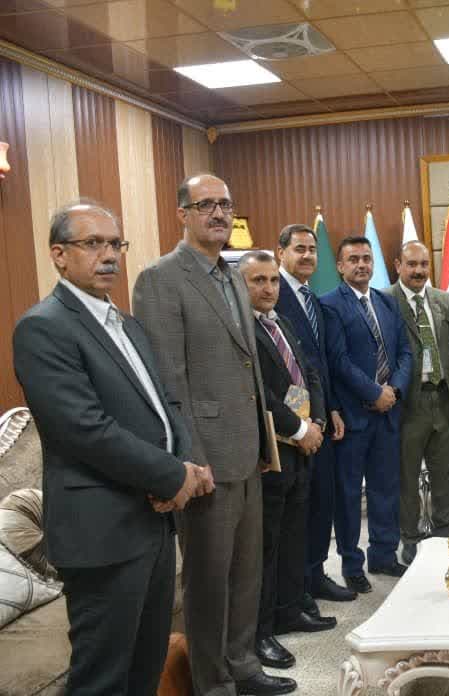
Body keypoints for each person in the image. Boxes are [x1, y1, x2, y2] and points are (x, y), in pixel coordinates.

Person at [13, 201, 212, 696]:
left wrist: (183, 464)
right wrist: (172, 476)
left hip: (154, 523)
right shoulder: (43, 327)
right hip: (102, 531)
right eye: (92, 243)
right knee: (102, 680)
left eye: (114, 244)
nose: (108, 255)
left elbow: (166, 403)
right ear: (59, 255)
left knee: (145, 669)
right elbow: (84, 429)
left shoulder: (126, 323)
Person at [133, 174, 293, 696]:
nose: (219, 213)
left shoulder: (232, 275)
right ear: (183, 214)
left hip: (248, 452)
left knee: (246, 573)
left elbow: (250, 371)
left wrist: (266, 444)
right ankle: (214, 682)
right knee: (207, 581)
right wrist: (190, 459)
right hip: (205, 457)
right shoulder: (160, 279)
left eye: (225, 204)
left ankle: (243, 665)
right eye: (206, 205)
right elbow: (168, 382)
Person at [239, 251, 337, 675]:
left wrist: (316, 422)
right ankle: (262, 632)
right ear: (239, 285)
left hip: (302, 445)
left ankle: (289, 609)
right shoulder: (242, 331)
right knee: (267, 546)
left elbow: (309, 373)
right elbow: (260, 393)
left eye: (273, 281)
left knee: (295, 534)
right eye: (258, 281)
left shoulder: (282, 322)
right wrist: (299, 429)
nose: (268, 288)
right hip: (272, 450)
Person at [321, 236, 412, 591]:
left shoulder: (387, 302)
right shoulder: (330, 304)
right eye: (353, 259)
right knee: (348, 495)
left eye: (366, 258)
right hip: (353, 416)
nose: (361, 264)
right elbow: (338, 360)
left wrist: (394, 391)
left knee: (385, 488)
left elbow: (405, 353)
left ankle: (384, 555)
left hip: (388, 414)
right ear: (340, 266)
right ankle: (351, 564)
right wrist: (374, 393)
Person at [274, 224, 355, 604]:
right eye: (299, 249)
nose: (307, 256)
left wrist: (330, 409)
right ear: (281, 253)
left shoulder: (313, 298)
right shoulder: (272, 292)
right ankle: (296, 585)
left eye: (312, 250)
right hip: (288, 420)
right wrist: (301, 422)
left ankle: (315, 571)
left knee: (323, 497)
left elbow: (320, 363)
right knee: (298, 506)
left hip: (320, 413)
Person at [387, 240, 449, 564]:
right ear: (398, 265)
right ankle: (410, 537)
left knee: (445, 475)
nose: (419, 271)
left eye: (423, 264)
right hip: (409, 405)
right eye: (412, 264)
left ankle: (444, 533)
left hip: (445, 400)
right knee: (407, 478)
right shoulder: (385, 300)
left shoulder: (444, 300)